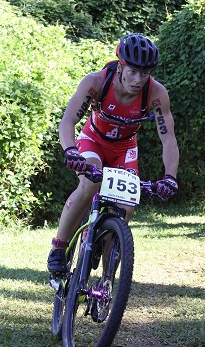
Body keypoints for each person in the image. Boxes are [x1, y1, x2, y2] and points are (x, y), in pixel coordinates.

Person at [47, 33, 179, 278]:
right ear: (120, 66)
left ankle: (107, 281)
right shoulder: (96, 82)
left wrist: (170, 176)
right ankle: (59, 247)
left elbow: (168, 138)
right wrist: (70, 150)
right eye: (132, 72)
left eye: (144, 73)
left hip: (124, 149)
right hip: (93, 140)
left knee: (126, 207)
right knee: (89, 184)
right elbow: (68, 120)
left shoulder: (156, 93)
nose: (138, 80)